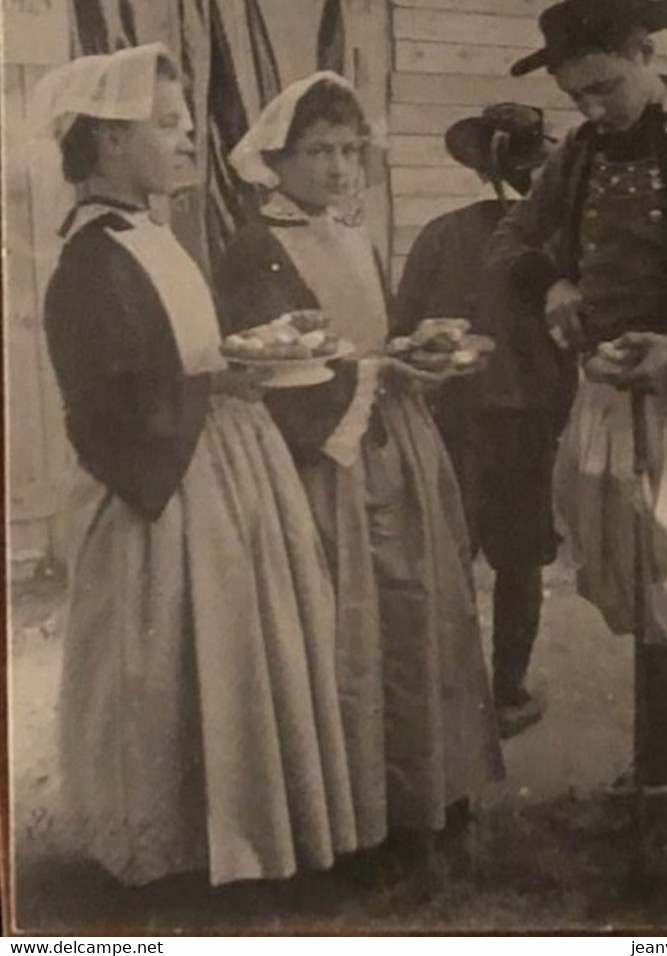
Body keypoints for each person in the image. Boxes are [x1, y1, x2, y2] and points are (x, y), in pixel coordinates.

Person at [37, 44, 360, 886]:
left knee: (237, 653)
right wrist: (220, 382)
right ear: (110, 143)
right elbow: (104, 408)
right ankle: (172, 853)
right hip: (165, 492)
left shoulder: (153, 236)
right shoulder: (89, 261)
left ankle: (240, 837)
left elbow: (192, 353)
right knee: (171, 664)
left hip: (220, 465)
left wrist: (236, 373)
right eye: (170, 126)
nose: (189, 142)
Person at [486, 0, 667, 912]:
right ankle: (659, 792)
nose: (592, 109)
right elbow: (515, 236)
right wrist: (551, 280)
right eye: (578, 95)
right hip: (611, 406)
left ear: (646, 56)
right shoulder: (585, 156)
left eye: (603, 87)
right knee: (644, 597)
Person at [216, 72, 503, 882]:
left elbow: (374, 335)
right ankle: (353, 821)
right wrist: (375, 373)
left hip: (394, 443)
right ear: (277, 158)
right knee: (345, 625)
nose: (339, 168)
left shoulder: (353, 233)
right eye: (318, 152)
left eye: (349, 150)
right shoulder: (255, 247)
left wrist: (416, 353)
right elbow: (274, 368)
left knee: (418, 613)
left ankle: (424, 797)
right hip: (322, 463)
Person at [393, 103, 576, 738]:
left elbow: (403, 327)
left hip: (449, 419)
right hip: (524, 425)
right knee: (520, 561)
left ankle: (448, 697)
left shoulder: (441, 234)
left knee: (449, 555)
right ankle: (507, 691)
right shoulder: (556, 250)